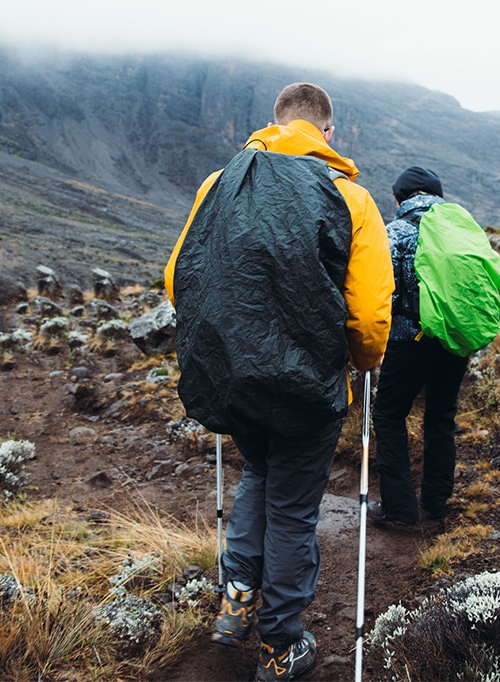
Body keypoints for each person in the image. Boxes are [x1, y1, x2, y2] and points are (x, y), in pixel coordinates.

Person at [164, 82, 393, 681]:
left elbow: (176, 278)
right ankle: (281, 643)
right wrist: (362, 361)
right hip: (306, 387)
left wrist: (225, 342)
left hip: (232, 380)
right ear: (328, 133)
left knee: (257, 476)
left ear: (273, 124)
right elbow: (369, 314)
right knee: (292, 509)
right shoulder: (352, 198)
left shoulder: (218, 185)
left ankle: (237, 594)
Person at [369, 166, 471, 527]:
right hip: (454, 338)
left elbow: (383, 290)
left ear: (400, 198)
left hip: (408, 339)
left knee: (388, 414)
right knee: (441, 416)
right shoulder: (461, 231)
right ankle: (437, 501)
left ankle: (400, 510)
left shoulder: (393, 232)